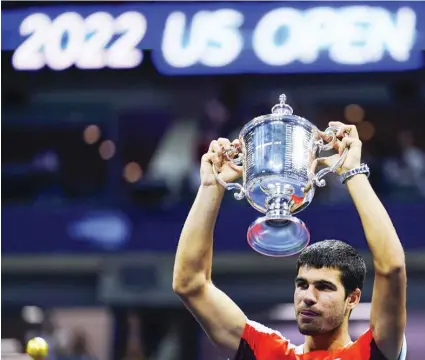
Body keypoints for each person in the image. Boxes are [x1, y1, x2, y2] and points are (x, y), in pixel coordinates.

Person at [172, 121, 407, 360]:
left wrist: (352, 173)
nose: (308, 297)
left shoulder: (372, 351)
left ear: (352, 299)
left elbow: (392, 266)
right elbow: (190, 284)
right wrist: (211, 185)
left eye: (324, 287)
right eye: (302, 284)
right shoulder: (268, 352)